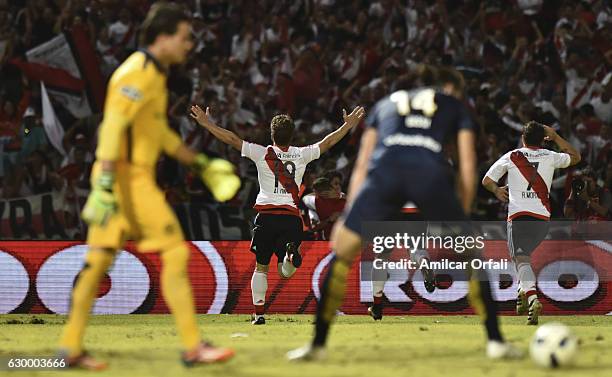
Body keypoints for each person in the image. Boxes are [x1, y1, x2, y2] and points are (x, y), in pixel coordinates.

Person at [287, 66, 522, 361]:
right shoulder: (453, 104)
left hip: (384, 173)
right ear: (448, 88)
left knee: (342, 252)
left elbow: (362, 163)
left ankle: (317, 345)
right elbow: (467, 162)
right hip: (430, 172)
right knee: (472, 255)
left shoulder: (385, 103)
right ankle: (496, 342)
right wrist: (461, 215)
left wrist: (353, 211)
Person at [58, 3, 240, 369]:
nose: (190, 45)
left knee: (107, 262)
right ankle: (191, 347)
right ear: (164, 37)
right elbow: (111, 128)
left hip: (133, 179)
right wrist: (106, 185)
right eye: (186, 37)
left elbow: (156, 132)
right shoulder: (135, 74)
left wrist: (199, 162)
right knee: (152, 255)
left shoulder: (155, 76)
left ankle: (72, 348)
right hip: (123, 180)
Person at [190, 104, 365, 325]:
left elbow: (232, 139)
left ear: (271, 135)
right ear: (292, 136)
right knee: (285, 272)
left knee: (261, 266)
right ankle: (290, 257)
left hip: (266, 215)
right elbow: (328, 142)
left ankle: (259, 314)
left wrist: (207, 124)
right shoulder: (301, 154)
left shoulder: (261, 153)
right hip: (291, 218)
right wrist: (347, 125)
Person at [483, 121, 580, 325]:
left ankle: (533, 298)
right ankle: (522, 289)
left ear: (523, 138)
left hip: (519, 217)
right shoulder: (550, 156)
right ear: (542, 139)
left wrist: (497, 190)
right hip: (543, 220)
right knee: (523, 259)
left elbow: (486, 180)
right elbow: (576, 157)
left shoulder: (512, 156)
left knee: (521, 260)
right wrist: (555, 137)